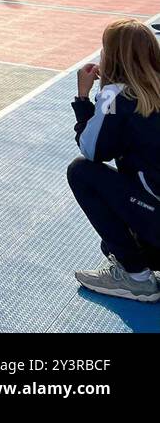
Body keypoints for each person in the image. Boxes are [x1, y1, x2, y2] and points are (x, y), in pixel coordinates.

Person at [67, 19, 160, 303]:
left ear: (114, 56)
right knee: (112, 246)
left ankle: (138, 280)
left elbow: (92, 150)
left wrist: (84, 98)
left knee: (81, 171)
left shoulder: (118, 96)